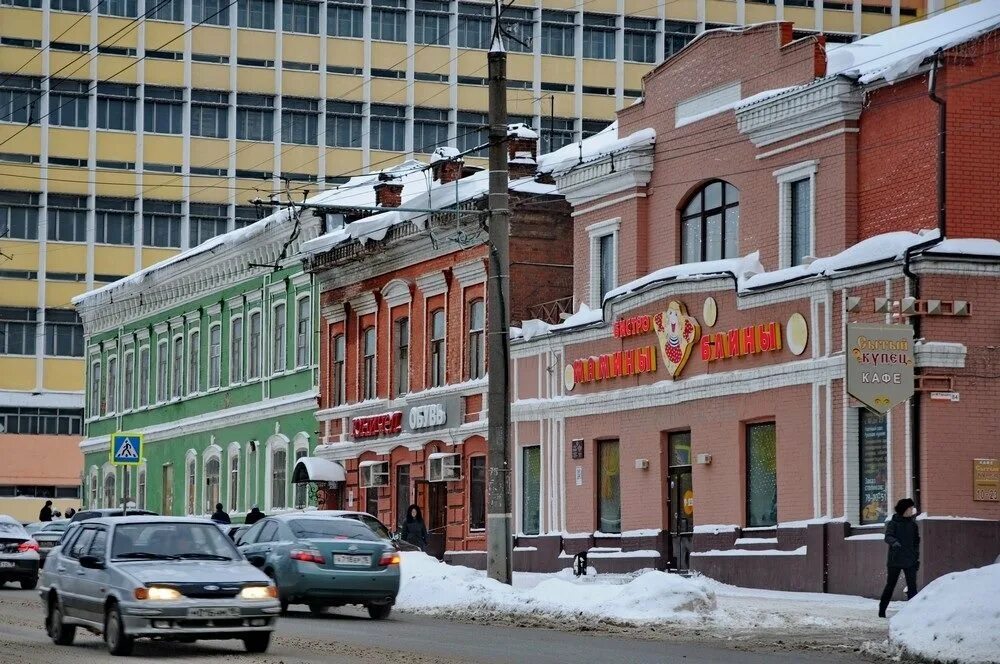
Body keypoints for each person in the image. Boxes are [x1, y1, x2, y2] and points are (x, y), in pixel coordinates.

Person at [878, 497, 920, 617]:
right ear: (905, 509)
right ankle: (882, 610)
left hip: (910, 560)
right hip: (895, 560)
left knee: (912, 587)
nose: (912, 510)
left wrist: (916, 558)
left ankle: (914, 612)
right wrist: (894, 542)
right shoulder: (893, 523)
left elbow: (916, 543)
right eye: (910, 508)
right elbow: (888, 536)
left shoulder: (913, 525)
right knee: (890, 585)